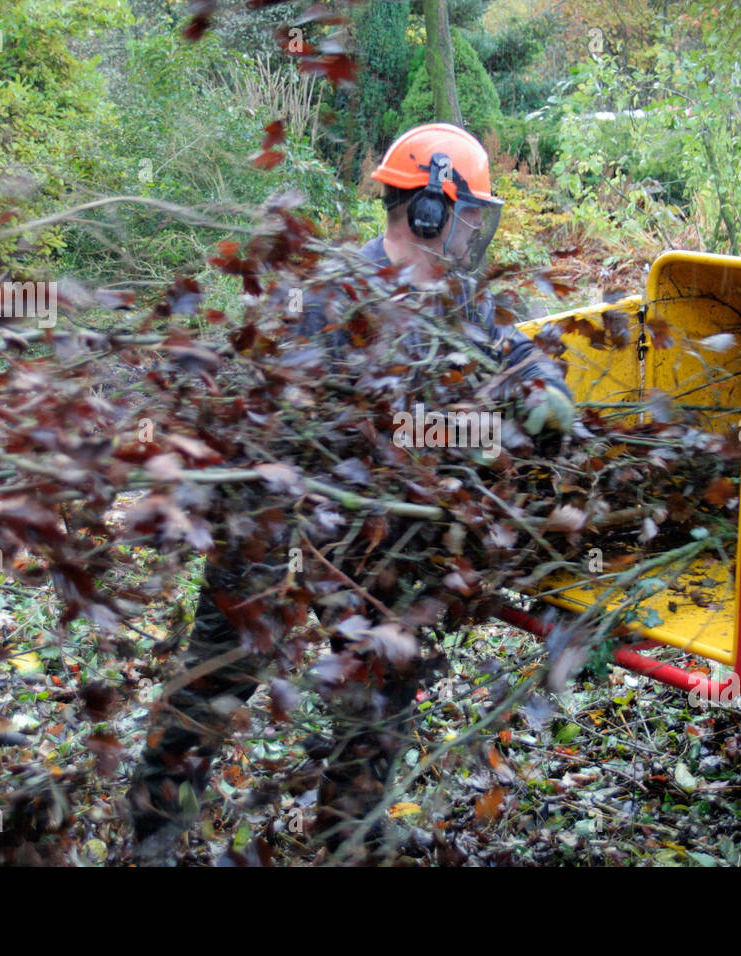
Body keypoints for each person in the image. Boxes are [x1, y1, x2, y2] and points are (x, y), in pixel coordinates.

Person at [127, 125, 573, 861]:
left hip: (371, 527)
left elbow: (519, 360)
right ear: (430, 209)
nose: (474, 230)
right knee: (226, 666)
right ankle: (155, 834)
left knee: (385, 670)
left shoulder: (464, 303)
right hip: (271, 511)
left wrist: (541, 391)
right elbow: (354, 429)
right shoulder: (326, 297)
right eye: (467, 213)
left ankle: (349, 831)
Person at [301, 123, 574, 419]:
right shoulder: (336, 297)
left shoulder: (463, 296)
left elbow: (520, 354)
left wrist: (548, 393)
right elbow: (315, 421)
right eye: (472, 209)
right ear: (430, 212)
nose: (480, 223)